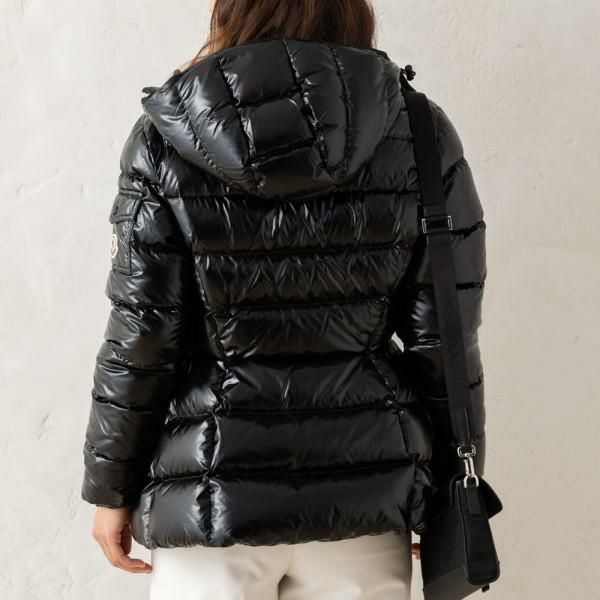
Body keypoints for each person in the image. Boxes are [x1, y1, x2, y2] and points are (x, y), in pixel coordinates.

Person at [80, 1, 488, 598]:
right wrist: (452, 488)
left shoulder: (167, 135)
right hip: (364, 496)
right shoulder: (418, 129)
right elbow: (444, 340)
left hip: (211, 496)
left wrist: (110, 489)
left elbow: (142, 337)